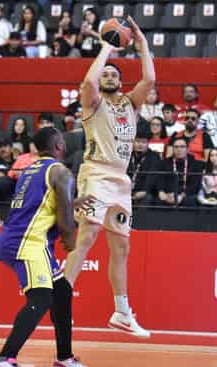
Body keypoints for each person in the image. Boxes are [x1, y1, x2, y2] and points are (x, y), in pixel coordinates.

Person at [63, 16, 155, 337]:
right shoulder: (92, 102)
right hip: (95, 174)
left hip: (121, 181)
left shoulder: (130, 103)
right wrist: (107, 48)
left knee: (121, 248)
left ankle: (121, 312)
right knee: (87, 237)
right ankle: (61, 301)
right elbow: (88, 82)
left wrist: (142, 46)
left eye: (115, 73)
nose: (110, 75)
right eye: (107, 72)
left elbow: (150, 80)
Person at [0, 127, 98, 367]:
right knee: (41, 297)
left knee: (61, 291)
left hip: (21, 237)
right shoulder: (61, 171)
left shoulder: (31, 170)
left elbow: (42, 203)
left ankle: (64, 359)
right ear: (59, 144)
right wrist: (71, 242)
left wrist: (74, 201)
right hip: (27, 242)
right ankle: (4, 360)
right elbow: (65, 221)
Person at [156, 138, 204, 207]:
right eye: (176, 147)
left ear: (187, 149)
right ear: (173, 149)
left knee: (192, 200)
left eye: (182, 147)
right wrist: (161, 191)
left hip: (186, 195)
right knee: (157, 200)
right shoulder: (164, 163)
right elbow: (160, 180)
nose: (179, 150)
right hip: (168, 195)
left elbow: (195, 185)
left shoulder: (196, 164)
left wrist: (181, 196)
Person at [128, 127, 161, 204]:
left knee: (148, 198)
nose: (140, 145)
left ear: (148, 144)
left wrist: (145, 190)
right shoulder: (128, 155)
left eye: (143, 142)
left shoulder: (154, 157)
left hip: (144, 191)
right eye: (137, 141)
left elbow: (152, 177)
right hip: (126, 191)